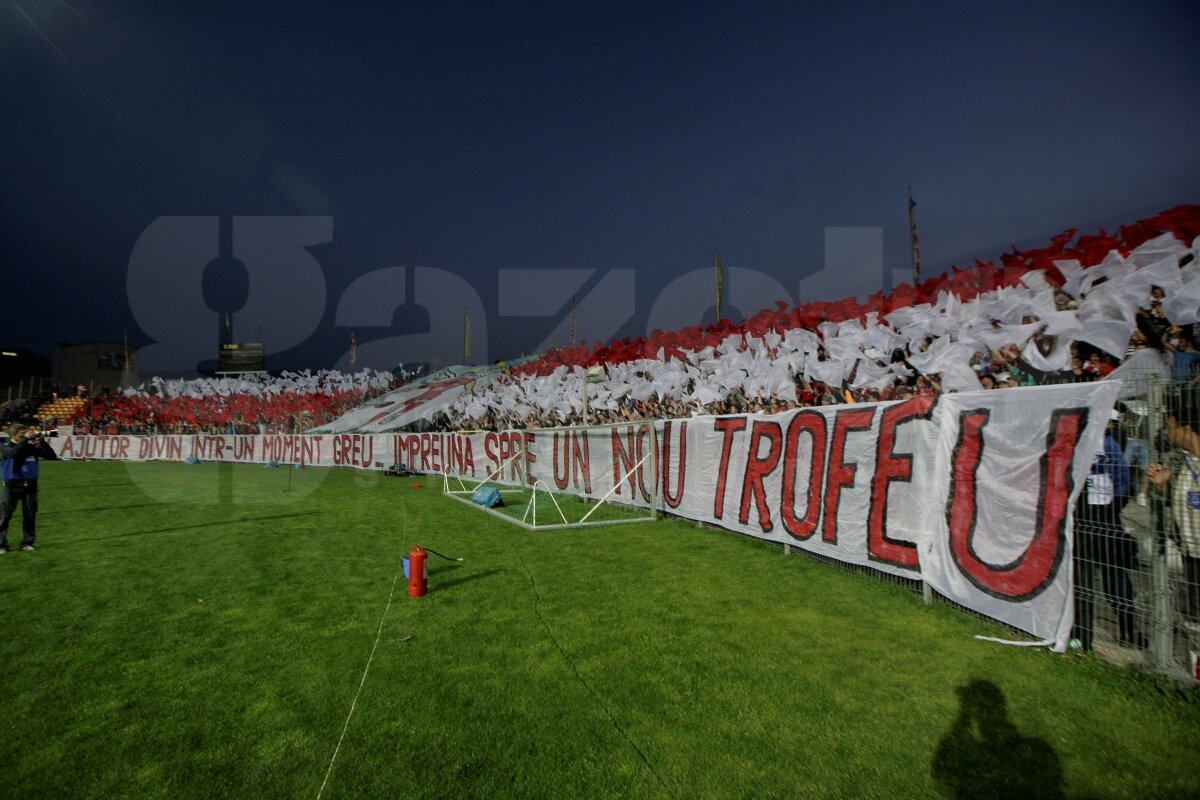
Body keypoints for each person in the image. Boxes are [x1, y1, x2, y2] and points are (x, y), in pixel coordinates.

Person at [0, 424, 59, 553]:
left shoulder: (31, 447)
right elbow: (14, 454)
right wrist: (26, 440)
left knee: (30, 515)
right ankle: (1, 544)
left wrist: (42, 441)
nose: (27, 434)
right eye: (23, 432)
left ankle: (27, 542)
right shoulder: (4, 446)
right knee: (4, 515)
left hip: (30, 485)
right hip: (12, 486)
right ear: (14, 434)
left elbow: (51, 456)